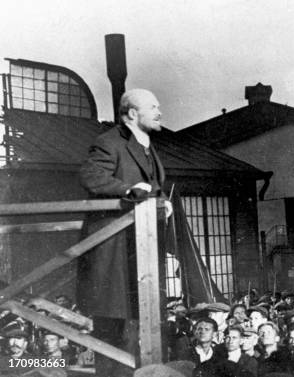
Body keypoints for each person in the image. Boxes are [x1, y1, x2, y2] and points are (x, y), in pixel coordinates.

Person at [78, 89, 170, 377]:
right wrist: (127, 190)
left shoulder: (148, 144)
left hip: (141, 253)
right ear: (132, 113)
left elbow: (151, 185)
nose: (160, 112)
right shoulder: (109, 142)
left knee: (136, 330)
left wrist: (161, 200)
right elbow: (92, 177)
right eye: (153, 107)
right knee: (112, 331)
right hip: (113, 254)